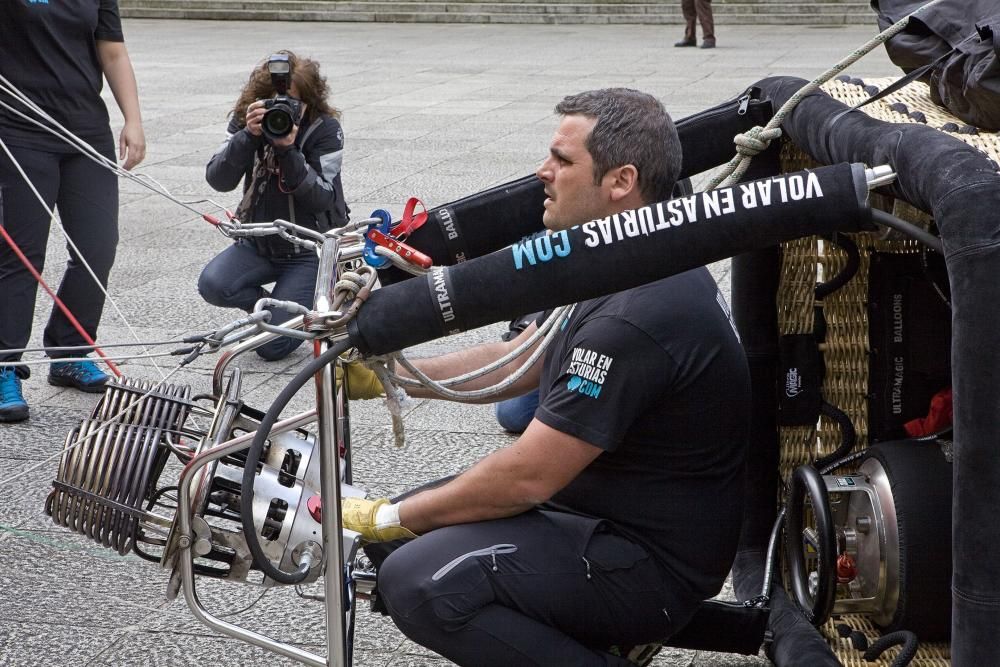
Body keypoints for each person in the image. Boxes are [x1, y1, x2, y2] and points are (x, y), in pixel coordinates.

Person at [343, 88, 751, 666]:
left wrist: (388, 516)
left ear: (620, 181)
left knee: (420, 578)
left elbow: (526, 477)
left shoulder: (638, 315)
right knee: (397, 541)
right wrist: (388, 375)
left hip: (646, 565)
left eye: (562, 160)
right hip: (597, 517)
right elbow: (520, 360)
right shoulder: (626, 257)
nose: (543, 172)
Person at [0, 0, 146, 423]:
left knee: (97, 246)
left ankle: (69, 349)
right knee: (21, 254)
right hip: (18, 131)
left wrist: (132, 120)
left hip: (85, 131)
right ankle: (4, 364)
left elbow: (113, 51)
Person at [198, 51, 348, 361]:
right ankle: (276, 308)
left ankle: (305, 302)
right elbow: (218, 179)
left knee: (271, 348)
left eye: (292, 103)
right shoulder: (246, 121)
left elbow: (323, 197)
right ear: (257, 100)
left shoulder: (324, 129)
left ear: (309, 100)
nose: (282, 111)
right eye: (272, 103)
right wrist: (246, 137)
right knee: (213, 284)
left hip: (308, 250)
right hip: (259, 244)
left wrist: (289, 151)